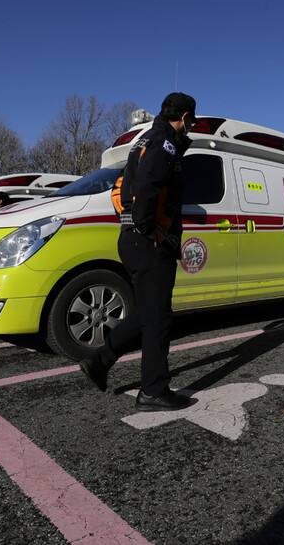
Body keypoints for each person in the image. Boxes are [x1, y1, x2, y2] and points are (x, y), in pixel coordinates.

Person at [79, 92, 197, 411]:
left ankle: (100, 361)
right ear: (185, 117)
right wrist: (150, 230)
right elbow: (147, 186)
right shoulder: (164, 142)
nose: (190, 128)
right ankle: (153, 391)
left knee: (147, 312)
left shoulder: (146, 139)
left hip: (133, 239)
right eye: (191, 122)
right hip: (147, 240)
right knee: (158, 319)